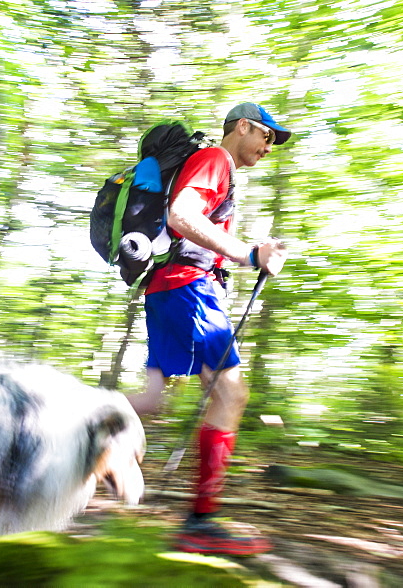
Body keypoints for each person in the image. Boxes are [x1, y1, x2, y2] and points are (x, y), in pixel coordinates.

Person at [127, 102, 290, 556]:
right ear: (243, 127)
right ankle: (202, 521)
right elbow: (182, 215)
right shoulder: (216, 160)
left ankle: (61, 419)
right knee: (231, 394)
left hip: (166, 289)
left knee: (150, 400)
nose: (268, 147)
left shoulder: (214, 167)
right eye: (266, 136)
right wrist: (247, 253)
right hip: (186, 288)